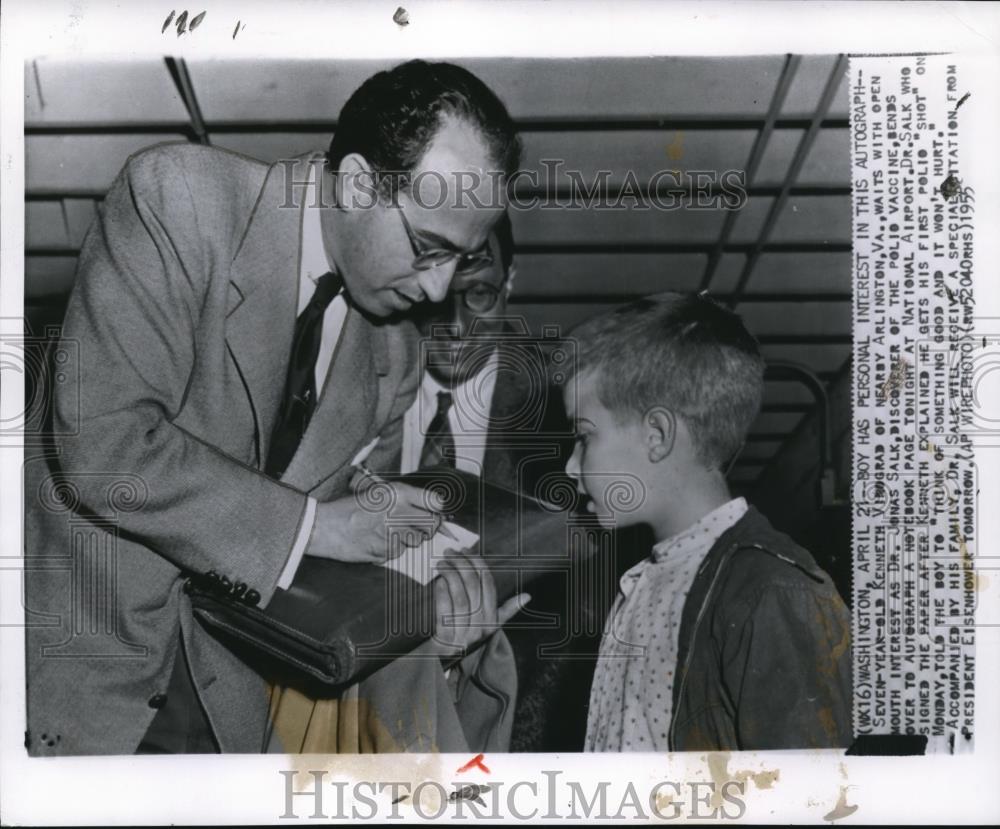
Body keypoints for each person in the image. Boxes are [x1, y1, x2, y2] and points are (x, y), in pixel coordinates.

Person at [24, 60, 523, 755]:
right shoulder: (180, 201)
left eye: (460, 259)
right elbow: (105, 445)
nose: (440, 288)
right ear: (355, 183)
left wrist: (422, 621)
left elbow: (326, 572)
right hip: (77, 677)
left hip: (230, 709)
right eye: (428, 247)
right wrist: (316, 524)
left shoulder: (396, 359)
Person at [561, 293, 853, 751]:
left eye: (583, 438)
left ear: (656, 436)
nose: (570, 469)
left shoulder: (771, 590)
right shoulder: (646, 583)